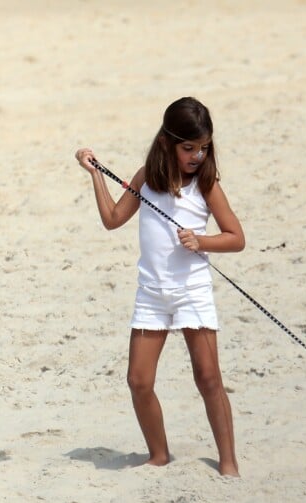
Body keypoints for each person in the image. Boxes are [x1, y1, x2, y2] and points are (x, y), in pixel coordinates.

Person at [75, 97, 245, 476]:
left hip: (191, 291)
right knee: (138, 380)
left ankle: (229, 463)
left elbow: (236, 238)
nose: (198, 155)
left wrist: (202, 241)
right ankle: (158, 455)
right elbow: (113, 219)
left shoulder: (206, 184)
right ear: (168, 142)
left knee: (208, 377)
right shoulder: (145, 178)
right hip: (151, 294)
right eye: (189, 148)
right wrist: (96, 174)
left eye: (204, 147)